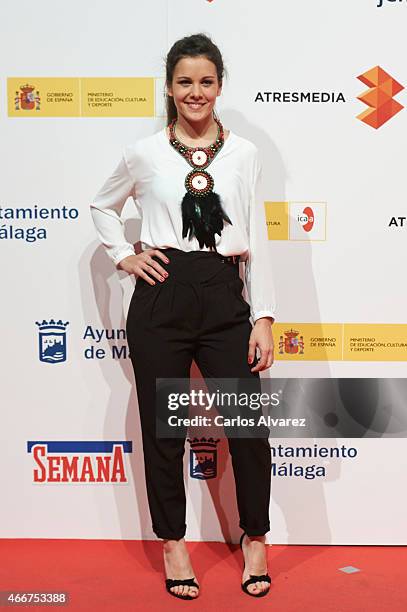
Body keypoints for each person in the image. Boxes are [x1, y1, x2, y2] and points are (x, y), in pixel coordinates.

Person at [90, 33, 276, 600]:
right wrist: (126, 255)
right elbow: (102, 205)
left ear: (220, 86)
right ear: (169, 88)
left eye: (207, 81)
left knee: (248, 429)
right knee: (163, 431)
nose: (196, 92)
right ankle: (173, 543)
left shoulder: (244, 153)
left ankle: (256, 540)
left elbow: (259, 235)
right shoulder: (144, 152)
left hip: (225, 295)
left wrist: (262, 315)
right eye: (184, 82)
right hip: (163, 297)